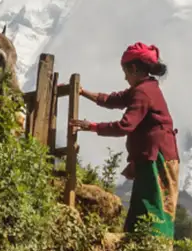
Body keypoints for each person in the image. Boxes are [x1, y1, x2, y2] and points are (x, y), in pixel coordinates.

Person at [75, 43, 181, 239]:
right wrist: (82, 92)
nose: (125, 77)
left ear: (133, 69)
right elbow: (113, 99)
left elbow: (126, 125)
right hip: (152, 156)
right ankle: (140, 244)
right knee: (144, 203)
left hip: (156, 157)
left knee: (154, 205)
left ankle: (152, 246)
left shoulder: (142, 92)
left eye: (125, 72)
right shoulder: (145, 88)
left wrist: (92, 126)